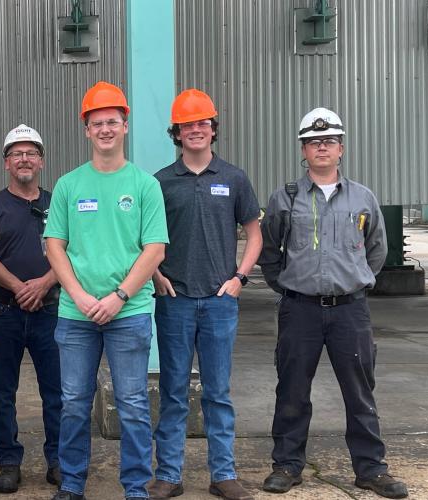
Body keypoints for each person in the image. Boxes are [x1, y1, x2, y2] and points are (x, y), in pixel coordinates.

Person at [257, 107, 407, 499]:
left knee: (360, 391)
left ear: (341, 148)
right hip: (300, 310)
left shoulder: (362, 198)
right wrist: (288, 286)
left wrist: (354, 281)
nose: (321, 148)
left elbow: (376, 250)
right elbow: (269, 252)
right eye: (313, 142)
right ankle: (287, 465)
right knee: (292, 389)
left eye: (328, 141)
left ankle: (371, 469)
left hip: (349, 311)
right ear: (303, 150)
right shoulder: (285, 198)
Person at [44, 81, 168, 500]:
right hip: (75, 313)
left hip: (128, 313)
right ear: (87, 130)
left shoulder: (145, 185)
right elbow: (54, 246)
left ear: (125, 126)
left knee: (132, 403)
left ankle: (135, 487)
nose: (105, 129)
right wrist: (79, 296)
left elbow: (154, 249)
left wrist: (119, 297)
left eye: (112, 121)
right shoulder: (69, 185)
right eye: (97, 123)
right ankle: (72, 483)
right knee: (74, 402)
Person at [148, 89, 261, 500]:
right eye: (187, 125)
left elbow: (254, 233)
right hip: (174, 302)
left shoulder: (234, 178)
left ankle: (223, 474)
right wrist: (156, 274)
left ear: (213, 129)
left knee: (217, 393)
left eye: (202, 123)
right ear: (176, 133)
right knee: (173, 392)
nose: (195, 130)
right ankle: (169, 475)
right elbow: (144, 239)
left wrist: (240, 278)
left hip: (219, 303)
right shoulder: (160, 182)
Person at [0, 124, 63, 494]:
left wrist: (45, 283)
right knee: (3, 391)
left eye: (31, 153)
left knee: (57, 391)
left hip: (50, 310)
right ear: (6, 163)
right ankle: (8, 461)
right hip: (4, 311)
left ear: (41, 161)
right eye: (16, 154)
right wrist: (18, 287)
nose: (24, 159)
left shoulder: (58, 202)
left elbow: (71, 250)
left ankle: (59, 459)